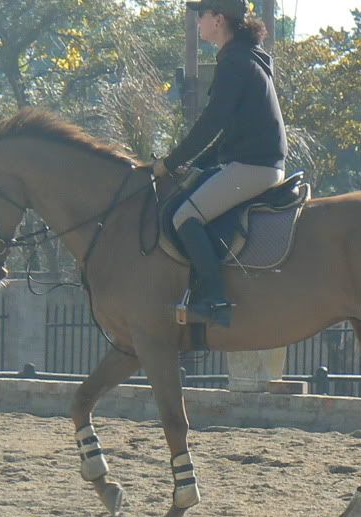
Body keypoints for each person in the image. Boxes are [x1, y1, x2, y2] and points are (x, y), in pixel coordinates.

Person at [153, 0, 288, 327]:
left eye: (203, 15)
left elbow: (211, 124)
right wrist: (195, 165)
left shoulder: (235, 61)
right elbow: (227, 134)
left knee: (185, 216)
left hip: (255, 167)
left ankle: (216, 300)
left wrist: (170, 163)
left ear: (219, 19)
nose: (198, 21)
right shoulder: (242, 57)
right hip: (253, 162)